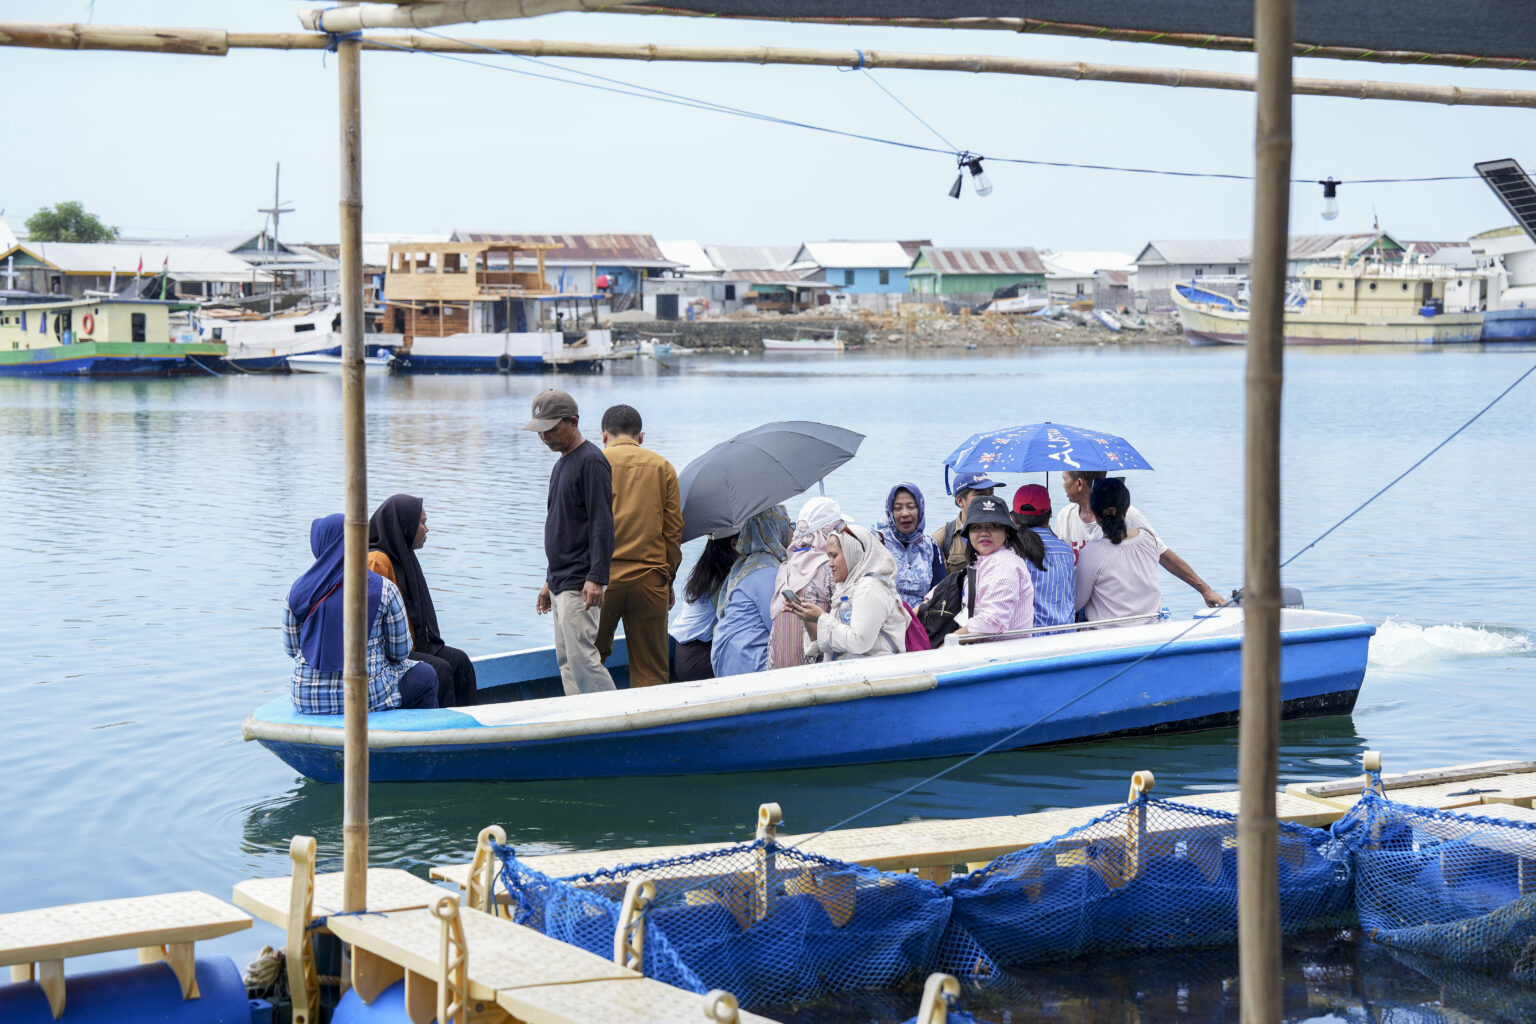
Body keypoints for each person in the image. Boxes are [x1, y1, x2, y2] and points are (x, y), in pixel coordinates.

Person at [285, 513, 437, 714]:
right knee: (426, 675)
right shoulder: (384, 589)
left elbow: (293, 649)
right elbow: (400, 652)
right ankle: (416, 740)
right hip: (365, 697)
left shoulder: (297, 591)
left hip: (306, 699)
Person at [526, 389, 616, 696]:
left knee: (583, 661)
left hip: (581, 581)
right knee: (566, 661)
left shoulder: (592, 461)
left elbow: (602, 525)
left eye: (551, 430)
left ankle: (615, 720)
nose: (545, 437)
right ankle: (579, 720)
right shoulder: (561, 463)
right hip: (560, 580)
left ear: (573, 422)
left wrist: (597, 578)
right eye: (541, 431)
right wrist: (548, 581)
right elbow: (562, 527)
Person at [595, 404, 683, 688]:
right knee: (651, 673)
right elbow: (673, 532)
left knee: (589, 662)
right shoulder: (662, 467)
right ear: (641, 437)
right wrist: (667, 579)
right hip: (650, 578)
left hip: (600, 582)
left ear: (604, 435)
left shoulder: (593, 463)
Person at [1053, 469, 1227, 608]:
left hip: (1113, 608)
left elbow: (1164, 556)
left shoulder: (1129, 515)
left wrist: (1205, 590)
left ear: (1079, 483)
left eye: (1064, 478)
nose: (1062, 484)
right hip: (1079, 604)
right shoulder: (1065, 516)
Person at [368, 494, 478, 707]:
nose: (426, 529)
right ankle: (442, 733)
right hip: (388, 655)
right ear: (405, 524)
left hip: (414, 645)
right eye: (422, 523)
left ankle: (468, 726)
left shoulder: (403, 554)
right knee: (441, 671)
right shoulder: (377, 562)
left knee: (460, 662)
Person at [788, 524, 908, 661]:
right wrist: (808, 617)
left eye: (834, 556)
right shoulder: (845, 589)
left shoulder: (870, 588)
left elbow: (859, 642)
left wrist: (821, 617)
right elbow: (824, 646)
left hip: (874, 676)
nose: (830, 563)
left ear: (854, 552)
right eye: (829, 556)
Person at [767, 497, 848, 670]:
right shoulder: (828, 567)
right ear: (829, 531)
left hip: (779, 663)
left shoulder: (786, 567)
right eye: (840, 528)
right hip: (812, 666)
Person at [710, 505, 789, 678]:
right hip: (747, 662)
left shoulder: (743, 564)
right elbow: (779, 624)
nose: (791, 532)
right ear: (775, 528)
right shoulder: (767, 568)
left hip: (722, 660)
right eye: (789, 525)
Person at [1074, 477, 1163, 628]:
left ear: (1094, 513)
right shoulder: (1148, 539)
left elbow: (1076, 602)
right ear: (1127, 509)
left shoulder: (1092, 552)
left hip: (1109, 637)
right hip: (1153, 629)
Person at [955, 494, 1035, 638]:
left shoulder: (1004, 565)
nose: (984, 533)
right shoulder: (983, 561)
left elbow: (992, 622)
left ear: (1007, 532)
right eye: (976, 527)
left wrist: (948, 643)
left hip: (1003, 656)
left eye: (993, 526)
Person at [670, 532, 737, 682]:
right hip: (697, 658)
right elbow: (731, 622)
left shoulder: (704, 571)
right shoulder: (721, 579)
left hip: (683, 655)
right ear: (734, 544)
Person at [1011, 484, 1076, 628]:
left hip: (1027, 638)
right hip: (1065, 636)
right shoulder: (1066, 551)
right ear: (1050, 515)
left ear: (1013, 518)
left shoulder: (1010, 551)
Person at [875, 483, 946, 608]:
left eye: (911, 507)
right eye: (898, 508)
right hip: (886, 619)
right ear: (890, 512)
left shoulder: (930, 546)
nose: (905, 513)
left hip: (922, 620)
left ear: (920, 509)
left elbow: (940, 592)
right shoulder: (877, 542)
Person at [931, 472, 1002, 574]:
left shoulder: (1004, 533)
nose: (988, 500)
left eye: (991, 493)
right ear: (960, 501)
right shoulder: (941, 539)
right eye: (980, 494)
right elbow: (940, 586)